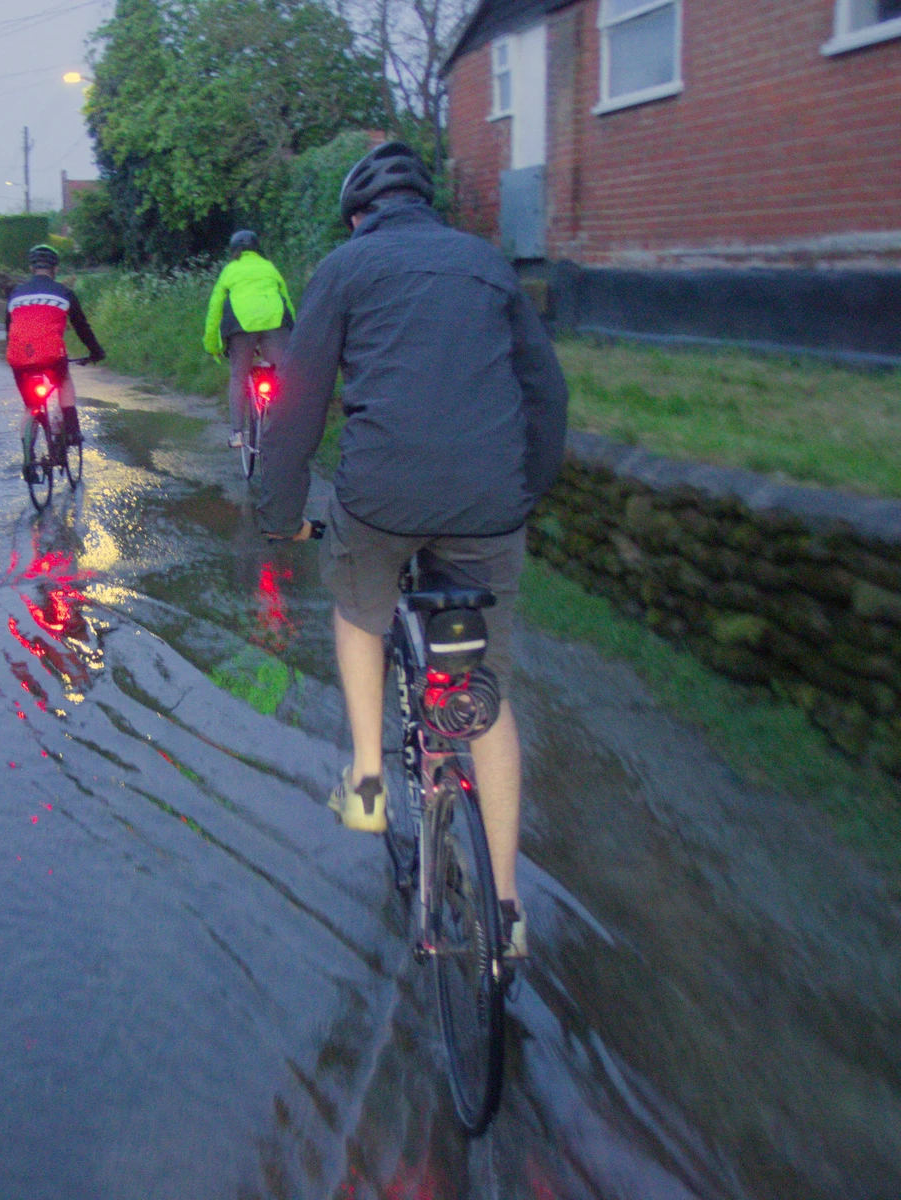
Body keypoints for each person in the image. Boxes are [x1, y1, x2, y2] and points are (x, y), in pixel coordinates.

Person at [256, 142, 568, 958]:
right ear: (428, 206)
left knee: (359, 601)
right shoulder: (487, 266)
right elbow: (546, 392)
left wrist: (280, 514)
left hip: (384, 497)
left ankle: (366, 779)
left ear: (360, 214)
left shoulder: (347, 267)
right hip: (490, 503)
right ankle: (505, 911)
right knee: (484, 691)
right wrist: (522, 494)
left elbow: (297, 404)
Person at [6, 243, 105, 474]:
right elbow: (82, 328)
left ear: (31, 267)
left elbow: (9, 330)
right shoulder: (64, 292)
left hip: (18, 356)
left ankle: (28, 458)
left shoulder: (15, 294)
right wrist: (96, 351)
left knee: (30, 406)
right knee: (63, 380)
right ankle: (71, 429)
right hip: (51, 355)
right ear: (55, 268)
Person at [203, 230, 295, 449]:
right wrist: (295, 335)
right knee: (281, 376)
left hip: (241, 328)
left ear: (234, 250)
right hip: (274, 323)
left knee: (239, 376)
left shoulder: (230, 270)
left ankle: (237, 434)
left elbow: (215, 309)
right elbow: (287, 302)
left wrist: (213, 345)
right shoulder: (269, 267)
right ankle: (285, 428)